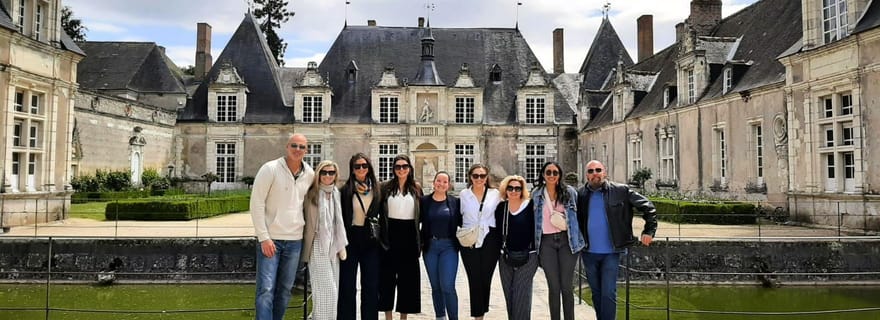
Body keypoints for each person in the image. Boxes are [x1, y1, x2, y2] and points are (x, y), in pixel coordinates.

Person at [576, 160, 657, 320]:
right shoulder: (580, 195)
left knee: (608, 292)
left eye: (598, 170)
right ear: (586, 175)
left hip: (611, 252)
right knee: (596, 293)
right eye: (591, 171)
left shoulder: (621, 190)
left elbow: (648, 207)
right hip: (588, 252)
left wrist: (649, 231)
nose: (595, 173)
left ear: (605, 172)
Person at [250, 133, 314, 320]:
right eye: (294, 145)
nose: (297, 150)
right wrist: (264, 237)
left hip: (295, 241)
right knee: (266, 289)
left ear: (307, 150)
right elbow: (256, 204)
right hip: (271, 240)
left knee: (285, 290)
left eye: (302, 147)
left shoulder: (309, 174)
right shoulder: (270, 169)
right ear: (287, 147)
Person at [532, 161, 585, 320]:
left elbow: (579, 217)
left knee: (567, 287)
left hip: (567, 242)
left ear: (559, 175)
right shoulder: (536, 194)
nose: (552, 176)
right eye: (548, 172)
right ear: (543, 175)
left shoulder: (570, 192)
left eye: (555, 173)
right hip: (546, 242)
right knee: (553, 287)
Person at [301, 160, 348, 320]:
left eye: (331, 172)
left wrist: (341, 245)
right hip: (317, 245)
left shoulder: (336, 193)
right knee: (327, 291)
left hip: (334, 247)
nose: (327, 175)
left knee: (332, 290)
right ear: (318, 174)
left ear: (336, 175)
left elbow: (337, 221)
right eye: (324, 172)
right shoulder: (311, 193)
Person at [378, 154, 422, 320]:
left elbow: (421, 215)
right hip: (390, 236)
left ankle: (403, 316)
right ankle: (388, 316)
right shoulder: (385, 188)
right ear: (393, 169)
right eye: (398, 167)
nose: (401, 169)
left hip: (410, 236)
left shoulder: (416, 188)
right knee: (387, 279)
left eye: (404, 166)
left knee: (408, 281)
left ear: (409, 169)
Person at [338, 153, 382, 320]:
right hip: (351, 239)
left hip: (371, 240)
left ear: (369, 167)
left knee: (371, 286)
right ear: (352, 169)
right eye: (357, 166)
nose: (361, 169)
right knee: (347, 285)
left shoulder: (377, 189)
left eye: (364, 165)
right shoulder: (345, 191)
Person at [458, 164, 502, 319]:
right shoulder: (464, 194)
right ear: (470, 177)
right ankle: (478, 315)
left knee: (486, 278)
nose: (478, 179)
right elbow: (458, 216)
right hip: (469, 240)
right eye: (475, 176)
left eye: (482, 176)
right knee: (474, 278)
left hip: (490, 239)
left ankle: (482, 311)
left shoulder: (495, 194)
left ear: (486, 178)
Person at [495, 175, 537, 320]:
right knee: (509, 295)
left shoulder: (531, 206)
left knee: (522, 295)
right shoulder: (501, 208)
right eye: (510, 188)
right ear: (505, 190)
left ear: (522, 190)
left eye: (517, 188)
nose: (514, 191)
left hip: (528, 256)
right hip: (505, 256)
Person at [420, 171, 461, 320]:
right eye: (439, 181)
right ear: (434, 182)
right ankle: (440, 316)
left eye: (445, 182)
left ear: (448, 185)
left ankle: (453, 317)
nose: (441, 184)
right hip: (430, 247)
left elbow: (464, 221)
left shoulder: (454, 202)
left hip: (448, 246)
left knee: (448, 286)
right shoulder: (424, 201)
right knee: (436, 286)